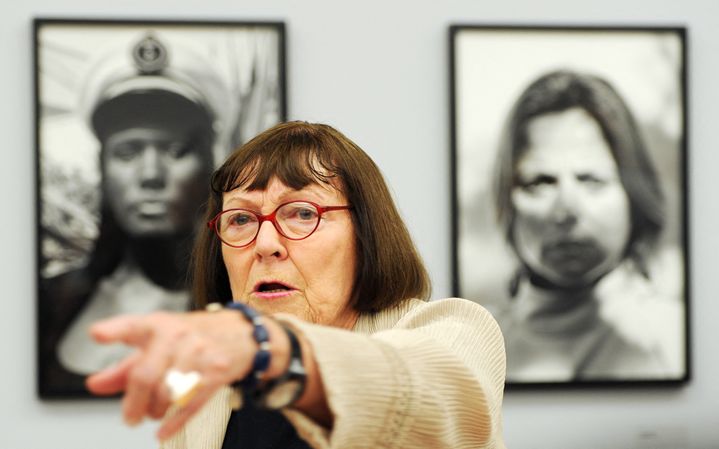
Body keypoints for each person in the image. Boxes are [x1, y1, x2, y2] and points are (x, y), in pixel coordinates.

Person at [85, 121, 507, 449]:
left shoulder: (458, 331)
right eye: (241, 219)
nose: (265, 244)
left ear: (366, 234)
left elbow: (436, 395)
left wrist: (274, 351)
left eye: (302, 213)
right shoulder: (204, 388)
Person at [38, 33, 223, 396]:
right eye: (127, 152)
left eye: (176, 150)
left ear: (208, 167)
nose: (151, 175)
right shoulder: (50, 300)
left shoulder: (245, 307)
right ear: (103, 170)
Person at [491, 69, 675, 382]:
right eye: (540, 182)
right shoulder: (474, 350)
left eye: (591, 179)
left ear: (633, 195)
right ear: (507, 202)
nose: (567, 210)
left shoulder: (675, 343)